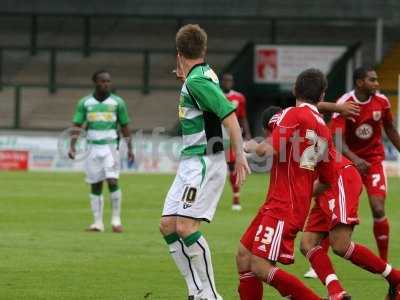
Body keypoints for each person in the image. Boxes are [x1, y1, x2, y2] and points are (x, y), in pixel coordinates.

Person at [159, 24, 250, 300]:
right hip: (190, 162)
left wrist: (241, 153)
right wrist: (184, 77)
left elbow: (228, 115)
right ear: (204, 50)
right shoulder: (204, 73)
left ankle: (210, 295)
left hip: (204, 162)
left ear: (178, 53)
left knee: (186, 227)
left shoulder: (197, 81)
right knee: (167, 225)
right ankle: (194, 291)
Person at [236, 68, 331, 300]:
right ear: (322, 96)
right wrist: (302, 192)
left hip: (283, 206)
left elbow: (269, 149)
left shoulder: (293, 114)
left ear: (294, 90)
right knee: (244, 255)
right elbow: (325, 180)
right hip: (283, 203)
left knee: (259, 265)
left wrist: (248, 146)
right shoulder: (324, 130)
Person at [331, 66, 400, 262]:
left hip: (374, 161)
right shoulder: (345, 103)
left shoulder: (382, 101)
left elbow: (391, 130)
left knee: (378, 208)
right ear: (360, 82)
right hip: (349, 163)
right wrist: (355, 159)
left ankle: (384, 262)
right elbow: (337, 139)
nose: (377, 84)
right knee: (341, 212)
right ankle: (318, 256)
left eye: (377, 80)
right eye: (372, 80)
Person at [68, 70, 134, 233]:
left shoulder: (117, 102)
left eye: (108, 81)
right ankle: (97, 223)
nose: (106, 84)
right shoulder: (85, 102)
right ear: (95, 82)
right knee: (95, 184)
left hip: (111, 148)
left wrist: (130, 148)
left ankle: (116, 221)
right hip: (91, 148)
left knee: (112, 181)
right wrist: (72, 145)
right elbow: (77, 125)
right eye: (102, 81)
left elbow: (124, 126)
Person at [220, 73, 252, 211]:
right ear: (221, 82)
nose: (228, 82)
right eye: (226, 80)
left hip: (232, 134)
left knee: (233, 165)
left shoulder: (239, 97)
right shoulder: (216, 95)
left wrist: (248, 134)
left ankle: (236, 196)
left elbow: (243, 117)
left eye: (230, 80)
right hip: (215, 135)